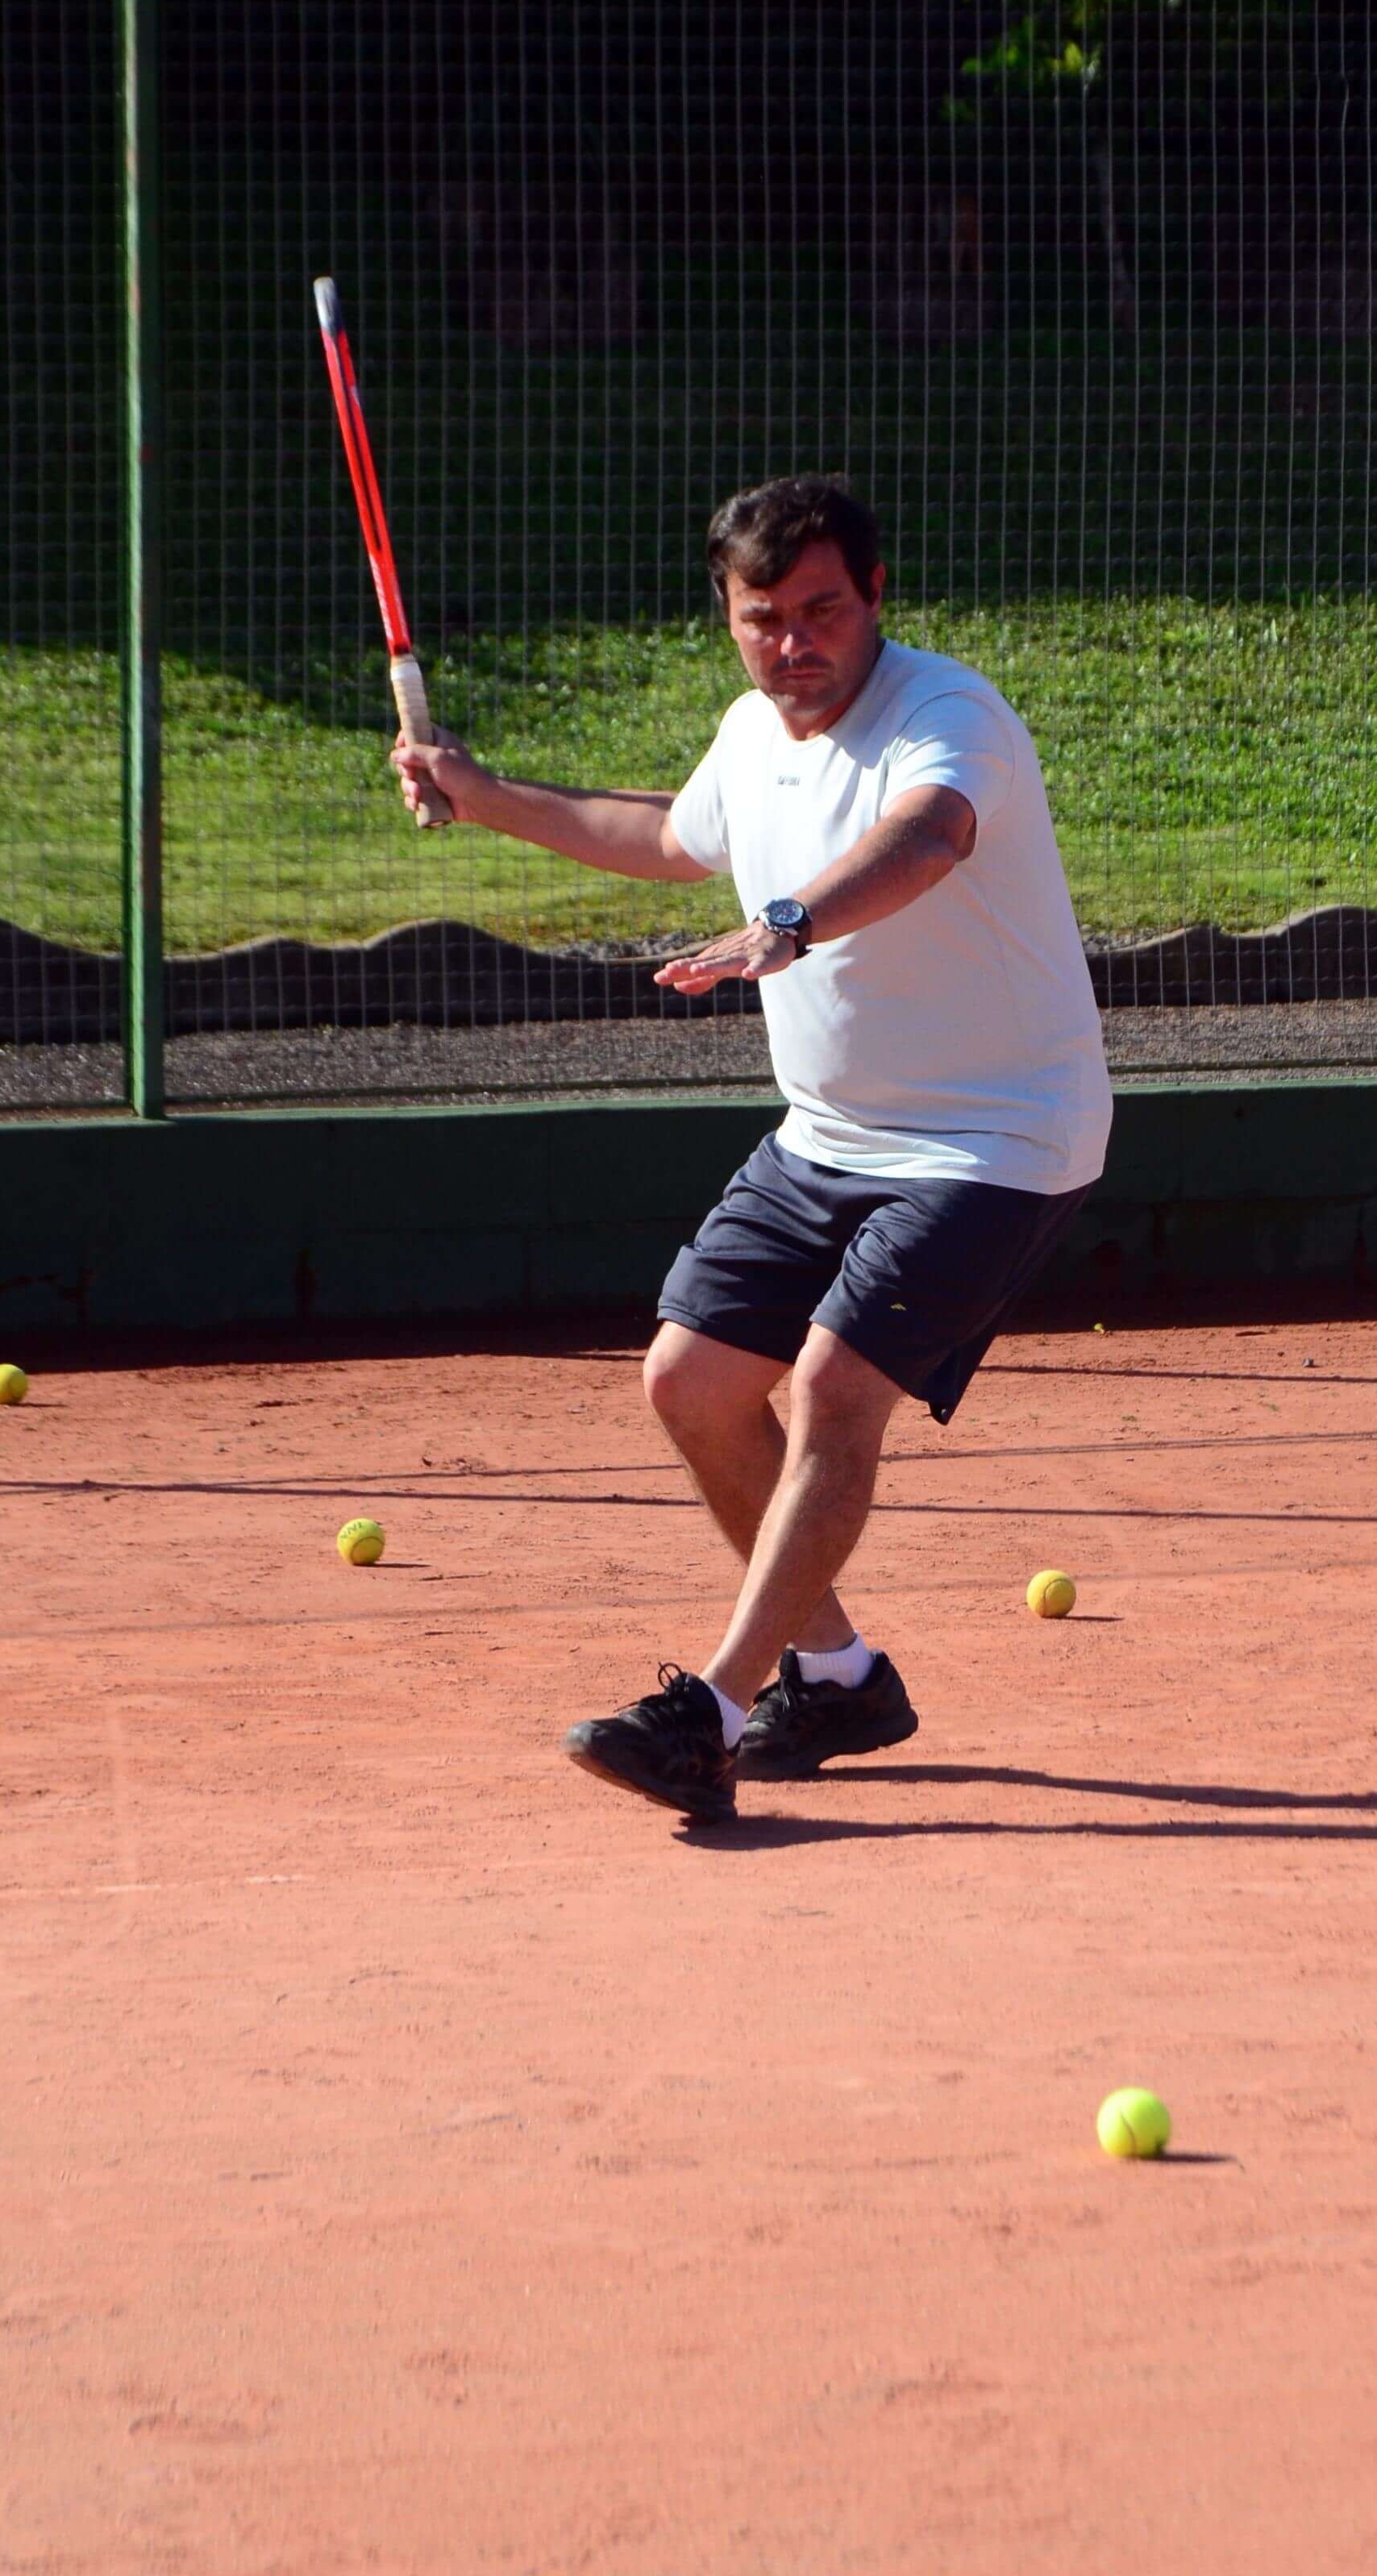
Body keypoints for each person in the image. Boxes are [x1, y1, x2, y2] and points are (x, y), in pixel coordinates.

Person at [394, 474, 1112, 1823]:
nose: (796, 643)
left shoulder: (949, 719)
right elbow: (671, 833)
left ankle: (712, 1708)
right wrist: (482, 795)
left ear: (877, 599)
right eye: (763, 617)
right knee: (691, 1384)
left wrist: (789, 920)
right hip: (830, 1136)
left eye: (823, 610)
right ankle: (837, 1676)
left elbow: (930, 837)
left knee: (837, 1386)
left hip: (995, 1139)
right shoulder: (752, 731)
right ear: (728, 618)